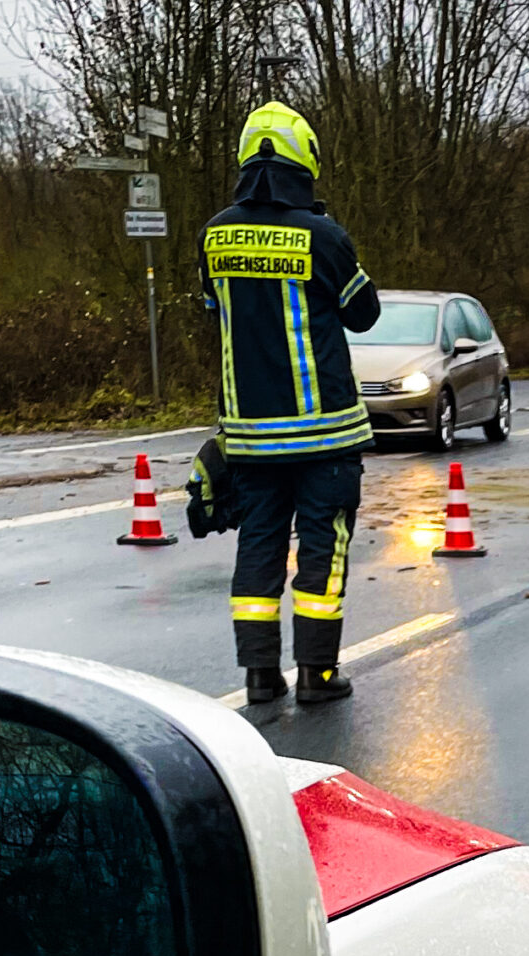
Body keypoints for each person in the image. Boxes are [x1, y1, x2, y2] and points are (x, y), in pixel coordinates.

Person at [204, 102, 381, 705]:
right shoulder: (324, 237)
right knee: (321, 552)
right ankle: (317, 674)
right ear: (304, 159)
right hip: (324, 434)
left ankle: (259, 677)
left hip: (251, 438)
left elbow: (217, 310)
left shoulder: (215, 234)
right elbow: (364, 313)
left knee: (258, 547)